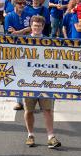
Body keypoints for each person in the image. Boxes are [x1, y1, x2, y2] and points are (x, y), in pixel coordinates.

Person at [23, 15, 61, 149]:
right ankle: (30, 135)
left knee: (48, 110)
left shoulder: (49, 42)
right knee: (29, 110)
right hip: (28, 82)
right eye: (35, 25)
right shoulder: (24, 41)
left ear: (43, 27)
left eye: (39, 26)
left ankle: (51, 136)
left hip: (45, 82)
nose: (37, 28)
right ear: (31, 26)